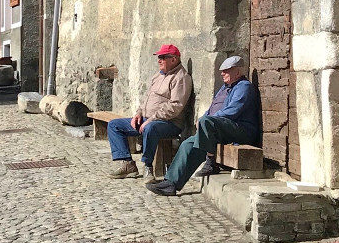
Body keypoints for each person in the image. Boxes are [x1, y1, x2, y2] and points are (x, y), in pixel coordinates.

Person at [147, 55, 260, 196]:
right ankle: (171, 183)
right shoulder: (225, 88)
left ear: (237, 72)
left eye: (226, 70)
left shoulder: (244, 87)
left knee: (207, 122)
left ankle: (211, 161)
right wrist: (203, 117)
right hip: (221, 128)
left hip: (240, 130)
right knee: (187, 144)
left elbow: (233, 111)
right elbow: (212, 108)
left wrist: (206, 120)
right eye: (222, 70)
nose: (222, 73)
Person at [107, 44, 193, 184]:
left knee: (150, 128)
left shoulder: (181, 78)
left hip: (169, 123)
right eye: (159, 57)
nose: (159, 60)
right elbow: (147, 99)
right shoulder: (158, 76)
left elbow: (176, 106)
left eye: (163, 57)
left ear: (174, 59)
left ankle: (148, 167)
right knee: (114, 125)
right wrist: (138, 113)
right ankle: (128, 164)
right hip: (148, 119)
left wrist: (151, 119)